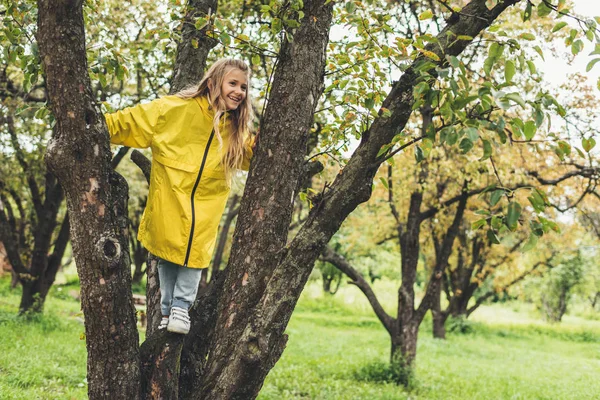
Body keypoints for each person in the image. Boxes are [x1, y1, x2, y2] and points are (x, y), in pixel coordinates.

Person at [105, 58, 255, 334]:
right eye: (232, 83)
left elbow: (253, 156)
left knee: (193, 253)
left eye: (244, 87)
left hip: (206, 203)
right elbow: (133, 121)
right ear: (213, 83)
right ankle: (167, 311)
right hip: (171, 192)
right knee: (167, 251)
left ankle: (180, 308)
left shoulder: (236, 130)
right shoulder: (174, 109)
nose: (239, 91)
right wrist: (98, 125)